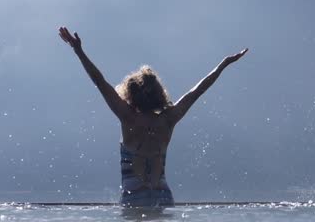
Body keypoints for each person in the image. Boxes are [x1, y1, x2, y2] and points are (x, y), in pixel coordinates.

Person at [58, 26, 248, 207]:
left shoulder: (127, 117)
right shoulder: (168, 119)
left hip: (134, 198)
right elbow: (197, 91)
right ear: (159, 94)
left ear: (130, 93)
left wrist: (79, 51)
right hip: (163, 196)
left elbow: (99, 82)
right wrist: (223, 64)